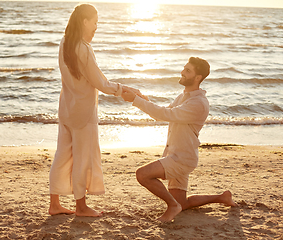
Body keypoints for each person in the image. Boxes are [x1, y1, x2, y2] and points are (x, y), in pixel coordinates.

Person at [49, 3, 145, 217]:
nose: (96, 27)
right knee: (82, 158)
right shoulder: (83, 48)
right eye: (95, 23)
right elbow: (101, 83)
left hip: (66, 109)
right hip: (83, 113)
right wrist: (127, 89)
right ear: (85, 22)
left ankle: (54, 204)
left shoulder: (64, 43)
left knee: (62, 155)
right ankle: (81, 207)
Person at [121, 57, 237, 222]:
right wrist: (143, 99)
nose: (182, 72)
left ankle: (172, 206)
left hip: (182, 158)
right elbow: (167, 112)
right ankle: (222, 197)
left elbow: (166, 114)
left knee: (142, 174)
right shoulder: (184, 97)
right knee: (182, 202)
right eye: (184, 68)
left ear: (198, 78)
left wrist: (136, 100)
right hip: (177, 154)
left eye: (188, 70)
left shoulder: (198, 103)